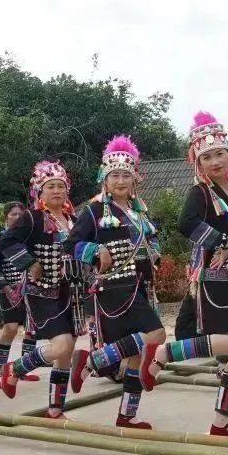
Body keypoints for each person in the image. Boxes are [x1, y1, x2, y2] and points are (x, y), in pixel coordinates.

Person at [139, 112, 228, 438]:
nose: (215, 162)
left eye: (220, 154)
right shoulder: (200, 193)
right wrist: (222, 241)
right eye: (207, 157)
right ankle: (166, 353)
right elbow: (186, 223)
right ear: (198, 162)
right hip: (215, 276)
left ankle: (221, 421)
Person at [65, 136, 166, 429]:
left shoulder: (139, 209)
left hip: (139, 286)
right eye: (115, 175)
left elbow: (151, 238)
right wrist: (96, 250)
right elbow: (70, 244)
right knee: (157, 335)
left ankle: (127, 415)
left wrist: (155, 253)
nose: (121, 181)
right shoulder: (95, 210)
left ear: (134, 178)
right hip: (115, 287)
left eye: (126, 175)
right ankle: (93, 361)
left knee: (135, 355)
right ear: (105, 179)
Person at [0, 161, 89, 419]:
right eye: (51, 187)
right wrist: (30, 263)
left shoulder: (74, 220)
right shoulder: (32, 218)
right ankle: (14, 368)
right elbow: (7, 241)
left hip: (71, 293)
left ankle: (55, 409)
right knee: (62, 346)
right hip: (42, 293)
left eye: (61, 186)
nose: (57, 191)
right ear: (40, 191)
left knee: (66, 352)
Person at [0, 201, 39, 386]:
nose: (17, 218)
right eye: (13, 214)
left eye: (20, 215)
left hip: (31, 287)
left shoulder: (29, 237)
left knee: (31, 329)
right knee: (10, 328)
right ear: (5, 217)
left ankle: (23, 369)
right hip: (8, 288)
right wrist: (7, 289)